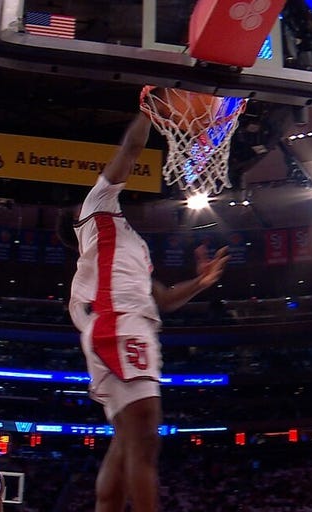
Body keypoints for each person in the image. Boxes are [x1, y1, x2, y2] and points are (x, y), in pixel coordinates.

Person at [60, 110, 230, 512]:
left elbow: (164, 299)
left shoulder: (131, 244)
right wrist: (151, 107)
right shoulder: (95, 208)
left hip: (128, 324)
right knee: (145, 436)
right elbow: (133, 148)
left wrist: (201, 284)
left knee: (127, 441)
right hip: (120, 323)